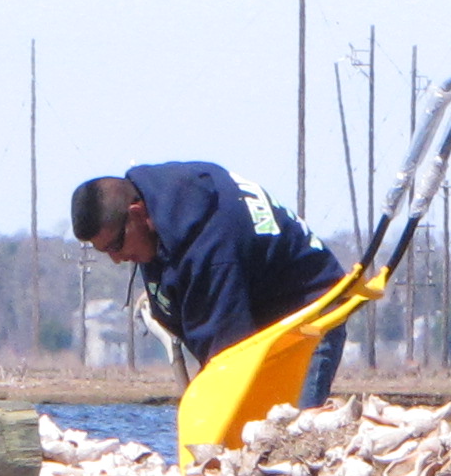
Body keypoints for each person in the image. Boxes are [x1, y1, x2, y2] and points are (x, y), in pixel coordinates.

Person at [70, 164, 350, 403]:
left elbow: (229, 358)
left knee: (286, 432)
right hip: (256, 307)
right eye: (104, 251)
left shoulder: (210, 248)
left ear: (138, 213)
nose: (117, 259)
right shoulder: (161, 200)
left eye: (116, 245)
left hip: (309, 311)